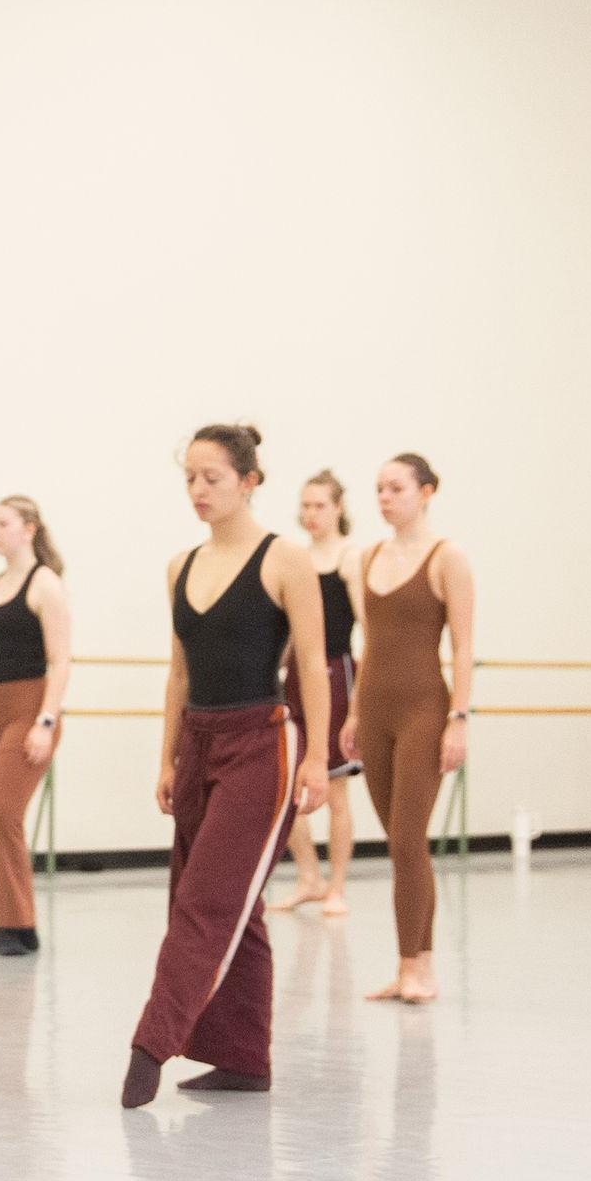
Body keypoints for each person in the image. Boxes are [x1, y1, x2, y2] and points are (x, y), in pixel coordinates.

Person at [124, 424, 331, 1106]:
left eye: (212, 477)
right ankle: (244, 1059)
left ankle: (152, 1043)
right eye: (189, 477)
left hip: (261, 741)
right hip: (198, 742)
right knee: (231, 909)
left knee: (208, 900)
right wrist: (165, 756)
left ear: (248, 481)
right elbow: (178, 673)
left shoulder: (286, 560)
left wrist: (318, 761)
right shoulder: (179, 568)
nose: (198, 490)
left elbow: (311, 666)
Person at [351, 453, 473, 1003]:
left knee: (406, 839)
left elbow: (464, 647)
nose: (384, 497)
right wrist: (354, 713)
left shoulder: (448, 559)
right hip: (375, 708)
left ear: (425, 491)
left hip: (425, 709)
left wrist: (459, 720)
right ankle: (414, 964)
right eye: (378, 488)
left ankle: (415, 967)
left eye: (395, 488)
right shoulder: (366, 558)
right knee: (401, 845)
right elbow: (368, 646)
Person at [0, 496, 72, 956]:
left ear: (29, 529)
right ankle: (14, 925)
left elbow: (61, 661)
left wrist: (45, 723)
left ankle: (20, 924)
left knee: (5, 814)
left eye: (3, 523)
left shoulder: (44, 584)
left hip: (27, 708)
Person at [274, 469, 361, 918]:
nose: (310, 514)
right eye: (305, 506)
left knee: (335, 789)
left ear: (338, 508)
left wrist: (358, 706)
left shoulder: (349, 559)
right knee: (289, 784)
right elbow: (290, 631)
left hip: (335, 672)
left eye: (319, 506)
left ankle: (338, 885)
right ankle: (309, 876)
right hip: (295, 678)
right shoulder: (296, 559)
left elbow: (370, 629)